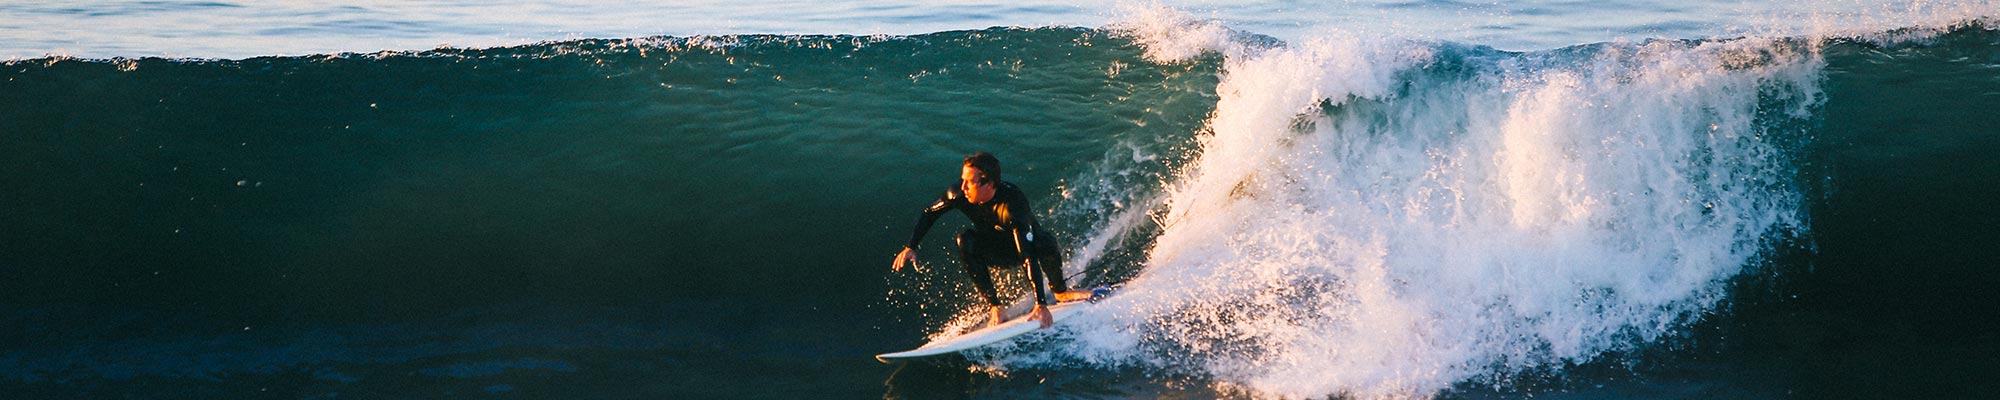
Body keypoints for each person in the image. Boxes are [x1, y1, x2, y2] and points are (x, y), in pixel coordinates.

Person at [892, 152, 1090, 329]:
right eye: (962, 180)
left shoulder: (1012, 205)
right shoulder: (959, 194)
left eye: (969, 182)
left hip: (1024, 248)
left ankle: (1060, 291)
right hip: (995, 250)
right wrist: (911, 246)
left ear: (988, 184)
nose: (963, 187)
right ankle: (995, 306)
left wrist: (1040, 303)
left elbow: (1027, 255)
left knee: (1045, 241)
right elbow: (929, 213)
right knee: (965, 239)